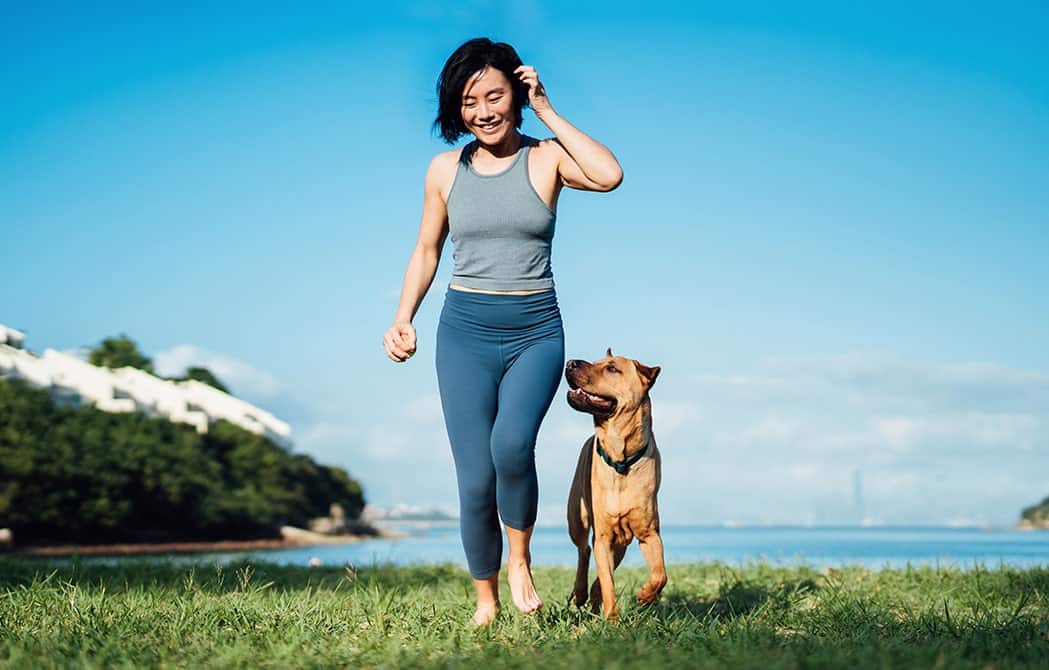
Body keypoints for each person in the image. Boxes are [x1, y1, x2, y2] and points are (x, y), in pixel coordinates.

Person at [382, 37, 623, 626]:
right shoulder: (445, 170)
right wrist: (402, 318)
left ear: (515, 92)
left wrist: (547, 109)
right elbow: (425, 249)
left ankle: (520, 561)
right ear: (455, 108)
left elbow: (609, 174)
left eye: (494, 95)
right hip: (463, 331)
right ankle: (486, 601)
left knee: (512, 446)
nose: (483, 110)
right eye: (469, 101)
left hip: (535, 331)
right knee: (474, 478)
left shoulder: (547, 158)